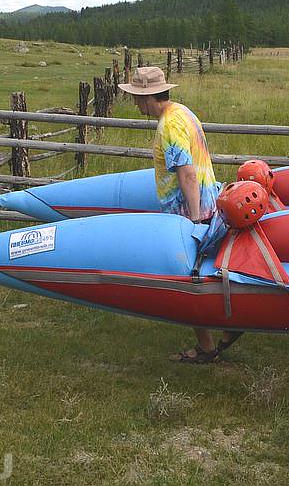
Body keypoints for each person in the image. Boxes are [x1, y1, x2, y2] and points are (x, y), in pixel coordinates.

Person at [117, 66, 234, 363]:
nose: (134, 104)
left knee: (186, 279)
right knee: (207, 274)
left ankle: (207, 348)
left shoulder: (168, 126)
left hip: (188, 210)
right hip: (210, 199)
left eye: (136, 98)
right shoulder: (183, 112)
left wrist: (193, 220)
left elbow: (187, 173)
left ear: (147, 99)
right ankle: (227, 330)